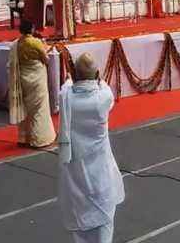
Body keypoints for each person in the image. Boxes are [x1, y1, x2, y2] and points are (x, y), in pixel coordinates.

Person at [58, 53, 124, 243]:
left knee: (78, 218)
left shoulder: (66, 98)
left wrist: (71, 78)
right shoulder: (103, 97)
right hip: (100, 169)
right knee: (104, 218)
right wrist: (94, 76)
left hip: (75, 167)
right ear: (96, 75)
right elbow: (102, 84)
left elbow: (66, 86)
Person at [8, 19, 56, 148]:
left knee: (26, 107)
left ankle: (24, 137)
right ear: (32, 29)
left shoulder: (16, 44)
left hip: (23, 77)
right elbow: (45, 59)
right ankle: (39, 138)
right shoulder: (35, 42)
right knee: (39, 107)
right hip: (36, 77)